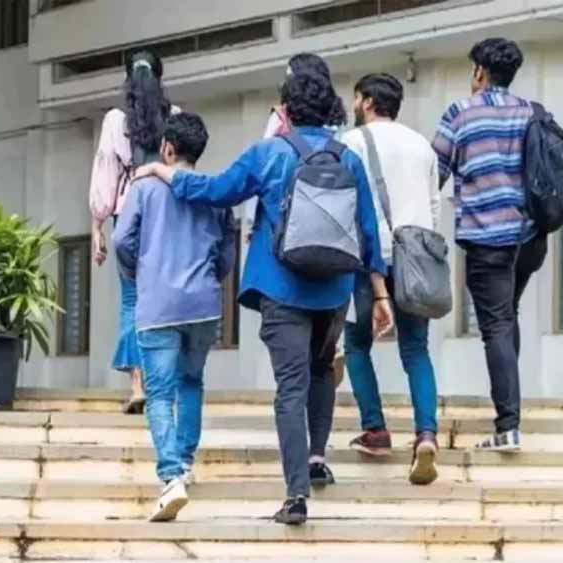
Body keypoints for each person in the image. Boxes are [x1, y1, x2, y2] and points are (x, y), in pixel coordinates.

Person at [134, 71, 393, 526]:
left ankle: (296, 495)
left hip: (282, 287)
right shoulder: (349, 158)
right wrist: (380, 293)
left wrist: (163, 171)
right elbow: (369, 231)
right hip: (334, 290)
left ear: (286, 111)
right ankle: (316, 457)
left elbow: (217, 191)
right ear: (330, 110)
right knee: (321, 371)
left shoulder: (269, 153)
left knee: (290, 388)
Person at [113, 112, 237, 522]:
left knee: (160, 394)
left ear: (167, 148)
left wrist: (140, 272)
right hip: (203, 305)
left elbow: (122, 240)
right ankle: (184, 461)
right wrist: (210, 277)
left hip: (158, 305)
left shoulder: (145, 188)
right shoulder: (214, 192)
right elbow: (227, 252)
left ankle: (171, 477)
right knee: (191, 382)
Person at [431, 38, 546, 452]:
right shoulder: (531, 112)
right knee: (507, 316)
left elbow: (434, 172)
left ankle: (508, 425)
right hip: (530, 238)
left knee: (495, 325)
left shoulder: (460, 113)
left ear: (480, 71)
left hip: (487, 238)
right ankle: (511, 415)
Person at [340, 73, 442, 485]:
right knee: (416, 349)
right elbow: (434, 208)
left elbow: (348, 206)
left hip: (369, 259)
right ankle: (426, 434)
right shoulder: (422, 145)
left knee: (356, 345)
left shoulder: (351, 142)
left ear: (366, 101)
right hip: (417, 257)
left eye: (356, 99)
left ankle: (376, 429)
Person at [88, 50, 178, 415]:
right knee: (161, 300)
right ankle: (162, 384)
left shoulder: (116, 120)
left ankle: (138, 386)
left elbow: (105, 174)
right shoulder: (175, 117)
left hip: (127, 215)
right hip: (165, 217)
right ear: (159, 77)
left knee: (131, 301)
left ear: (128, 79)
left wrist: (97, 226)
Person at [260, 53, 348, 389]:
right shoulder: (339, 128)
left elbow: (263, 169)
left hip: (292, 233)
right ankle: (332, 348)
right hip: (335, 236)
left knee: (292, 374)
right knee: (323, 342)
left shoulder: (280, 121)